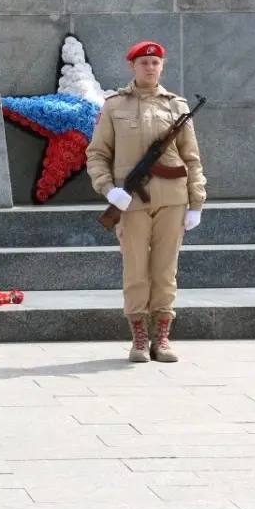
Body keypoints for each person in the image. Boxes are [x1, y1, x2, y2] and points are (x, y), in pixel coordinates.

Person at [85, 40, 205, 364]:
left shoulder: (177, 107)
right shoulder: (114, 106)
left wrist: (196, 201)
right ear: (132, 67)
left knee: (165, 271)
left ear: (162, 66)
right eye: (144, 63)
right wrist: (108, 189)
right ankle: (139, 336)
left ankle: (162, 337)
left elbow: (191, 159)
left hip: (172, 199)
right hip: (131, 202)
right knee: (136, 270)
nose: (150, 68)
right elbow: (97, 154)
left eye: (155, 63)